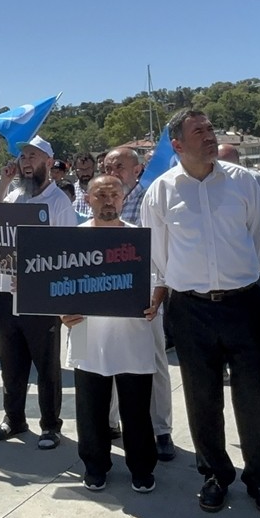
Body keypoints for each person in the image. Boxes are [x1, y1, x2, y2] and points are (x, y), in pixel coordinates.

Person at [141, 109, 260, 515]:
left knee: (254, 394)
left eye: (211, 129)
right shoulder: (161, 192)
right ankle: (215, 474)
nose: (209, 136)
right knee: (202, 398)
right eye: (198, 131)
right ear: (178, 144)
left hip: (244, 303)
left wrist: (241, 275)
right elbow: (157, 254)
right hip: (190, 309)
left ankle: (258, 475)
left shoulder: (247, 182)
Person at [63, 173, 164, 493]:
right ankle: (95, 466)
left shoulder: (142, 237)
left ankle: (142, 467)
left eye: (114, 195)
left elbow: (161, 277)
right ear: (88, 199)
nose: (108, 201)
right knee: (90, 410)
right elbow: (57, 285)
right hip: (86, 335)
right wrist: (62, 312)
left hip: (132, 334)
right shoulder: (72, 238)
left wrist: (155, 302)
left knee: (136, 410)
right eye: (100, 195)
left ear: (123, 199)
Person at [0, 136, 76, 450]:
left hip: (40, 297)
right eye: (23, 155)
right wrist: (4, 182)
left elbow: (67, 254)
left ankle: (50, 425)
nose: (26, 161)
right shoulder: (13, 196)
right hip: (6, 292)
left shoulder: (58, 203)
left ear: (48, 163)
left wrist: (34, 279)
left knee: (46, 367)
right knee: (11, 362)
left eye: (33, 156)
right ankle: (14, 419)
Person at [102, 146, 175, 460]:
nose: (112, 170)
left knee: (154, 361)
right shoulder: (95, 200)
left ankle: (161, 431)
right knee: (108, 359)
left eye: (119, 165)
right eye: (107, 165)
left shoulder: (152, 199)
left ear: (138, 169)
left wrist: (159, 291)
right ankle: (110, 422)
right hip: (105, 289)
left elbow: (163, 249)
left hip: (145, 293)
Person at [217, 143, 260, 397]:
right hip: (219, 273)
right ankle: (223, 368)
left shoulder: (251, 178)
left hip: (250, 268)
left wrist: (258, 257)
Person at [72, 151, 97, 218]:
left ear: (94, 168)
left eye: (88, 169)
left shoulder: (103, 190)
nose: (85, 173)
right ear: (75, 170)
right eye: (81, 169)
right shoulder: (71, 191)